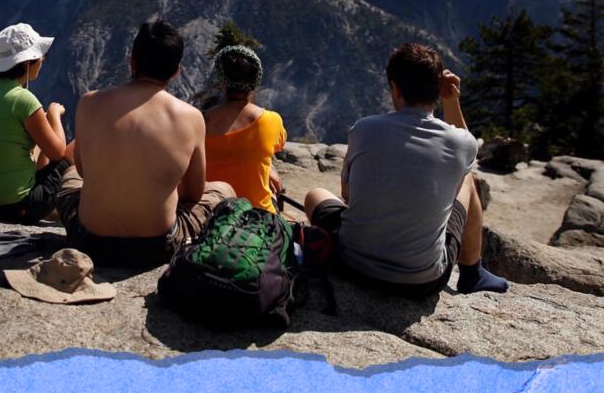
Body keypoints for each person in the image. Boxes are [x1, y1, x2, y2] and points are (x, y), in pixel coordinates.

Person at [305, 42, 508, 297]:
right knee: (467, 179)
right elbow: (465, 151)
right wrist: (451, 102)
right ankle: (472, 274)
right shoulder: (460, 143)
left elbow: (347, 195)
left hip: (352, 265)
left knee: (315, 195)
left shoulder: (363, 129)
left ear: (395, 89)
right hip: (420, 282)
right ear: (437, 90)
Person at [57, 20, 235, 267]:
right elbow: (194, 193)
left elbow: (85, 172)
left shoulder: (89, 102)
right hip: (157, 247)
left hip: (88, 241)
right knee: (223, 190)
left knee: (71, 174)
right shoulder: (191, 118)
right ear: (176, 71)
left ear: (132, 61)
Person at [0, 22, 70, 222]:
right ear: (27, 62)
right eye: (40, 56)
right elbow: (57, 152)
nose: (43, 59)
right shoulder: (24, 100)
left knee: (39, 141)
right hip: (15, 208)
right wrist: (54, 114)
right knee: (74, 148)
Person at [202, 44, 286, 212]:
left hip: (213, 214)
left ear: (222, 81)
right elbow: (275, 146)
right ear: (255, 82)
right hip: (258, 215)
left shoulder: (202, 121)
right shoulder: (272, 120)